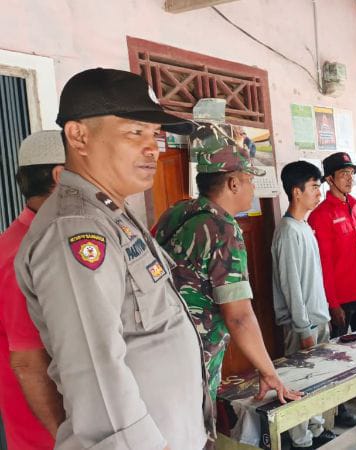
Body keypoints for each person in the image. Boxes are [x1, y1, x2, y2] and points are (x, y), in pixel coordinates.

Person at [14, 68, 211, 449]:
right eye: (135, 132)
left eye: (154, 134)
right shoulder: (75, 228)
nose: (152, 147)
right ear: (79, 136)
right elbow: (94, 369)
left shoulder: (112, 212)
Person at [154, 121, 300, 407]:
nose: (254, 188)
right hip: (195, 355)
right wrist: (269, 372)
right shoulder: (223, 228)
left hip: (161, 344)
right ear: (233, 183)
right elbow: (238, 316)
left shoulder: (177, 212)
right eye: (250, 180)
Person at [0, 131, 65, 449]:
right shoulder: (23, 252)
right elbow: (27, 361)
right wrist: (64, 436)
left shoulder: (42, 238)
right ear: (61, 176)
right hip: (47, 431)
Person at [308, 151, 356, 428]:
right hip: (342, 300)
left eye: (352, 174)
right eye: (343, 174)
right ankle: (339, 408)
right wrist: (333, 303)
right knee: (338, 355)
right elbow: (324, 265)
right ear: (329, 179)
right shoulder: (321, 216)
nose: (349, 179)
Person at [271, 161, 336, 449]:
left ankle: (316, 428)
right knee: (299, 380)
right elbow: (291, 287)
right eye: (313, 187)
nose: (319, 193)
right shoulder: (287, 231)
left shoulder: (304, 227)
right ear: (296, 192)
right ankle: (301, 438)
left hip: (317, 317)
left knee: (317, 378)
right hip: (302, 323)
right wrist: (303, 327)